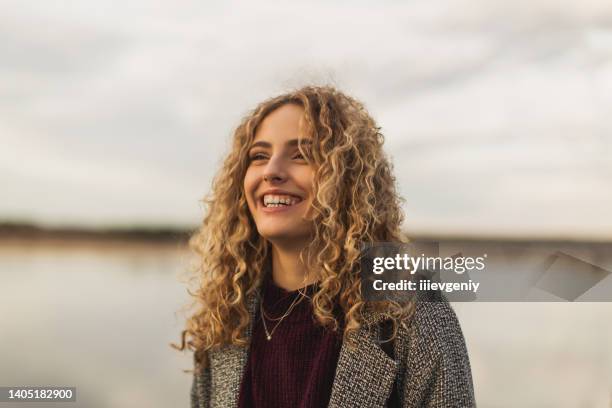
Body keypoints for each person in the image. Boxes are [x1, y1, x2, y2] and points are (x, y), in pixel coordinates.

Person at [174, 85, 475, 407]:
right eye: (259, 156)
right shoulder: (225, 315)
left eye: (301, 155)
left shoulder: (413, 308)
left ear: (349, 179)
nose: (272, 171)